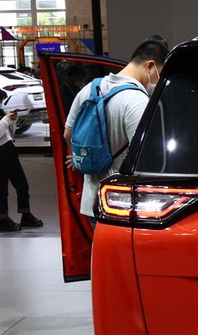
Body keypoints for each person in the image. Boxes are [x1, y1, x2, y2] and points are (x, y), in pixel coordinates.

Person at [64, 36, 168, 219]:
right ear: (150, 66)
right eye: (160, 74)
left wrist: (84, 157)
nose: (159, 82)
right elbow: (145, 156)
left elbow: (68, 134)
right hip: (120, 204)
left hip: (91, 201)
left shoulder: (89, 88)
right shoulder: (137, 100)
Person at [0, 85, 43, 232]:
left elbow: (9, 134)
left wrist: (12, 122)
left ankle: (26, 214)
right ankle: (3, 219)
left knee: (22, 184)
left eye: (1, 100)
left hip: (9, 149)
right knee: (1, 189)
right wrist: (5, 121)